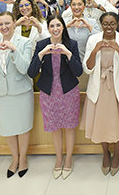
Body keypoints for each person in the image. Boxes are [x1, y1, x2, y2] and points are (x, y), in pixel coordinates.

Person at [0, 12, 33, 178]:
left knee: (23, 127)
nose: (4, 27)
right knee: (7, 128)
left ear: (14, 23)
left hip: (21, 91)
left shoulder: (25, 42)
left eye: (7, 23)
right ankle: (14, 158)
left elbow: (25, 69)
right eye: (1, 24)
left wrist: (14, 50)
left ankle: (23, 159)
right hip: (1, 93)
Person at [28, 15, 82, 179]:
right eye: (52, 26)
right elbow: (31, 72)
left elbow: (79, 72)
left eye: (58, 25)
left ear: (63, 27)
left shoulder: (71, 44)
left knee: (69, 127)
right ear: (48, 28)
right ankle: (59, 158)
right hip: (49, 92)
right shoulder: (41, 45)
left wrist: (68, 53)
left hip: (68, 92)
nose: (56, 29)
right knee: (55, 127)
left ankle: (69, 159)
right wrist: (41, 55)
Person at [80, 12, 119, 176]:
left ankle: (117, 153)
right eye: (105, 23)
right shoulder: (93, 39)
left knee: (118, 122)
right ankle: (105, 153)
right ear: (101, 24)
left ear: (117, 24)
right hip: (99, 87)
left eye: (112, 23)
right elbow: (87, 69)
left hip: (118, 87)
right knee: (101, 123)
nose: (109, 27)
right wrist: (95, 50)